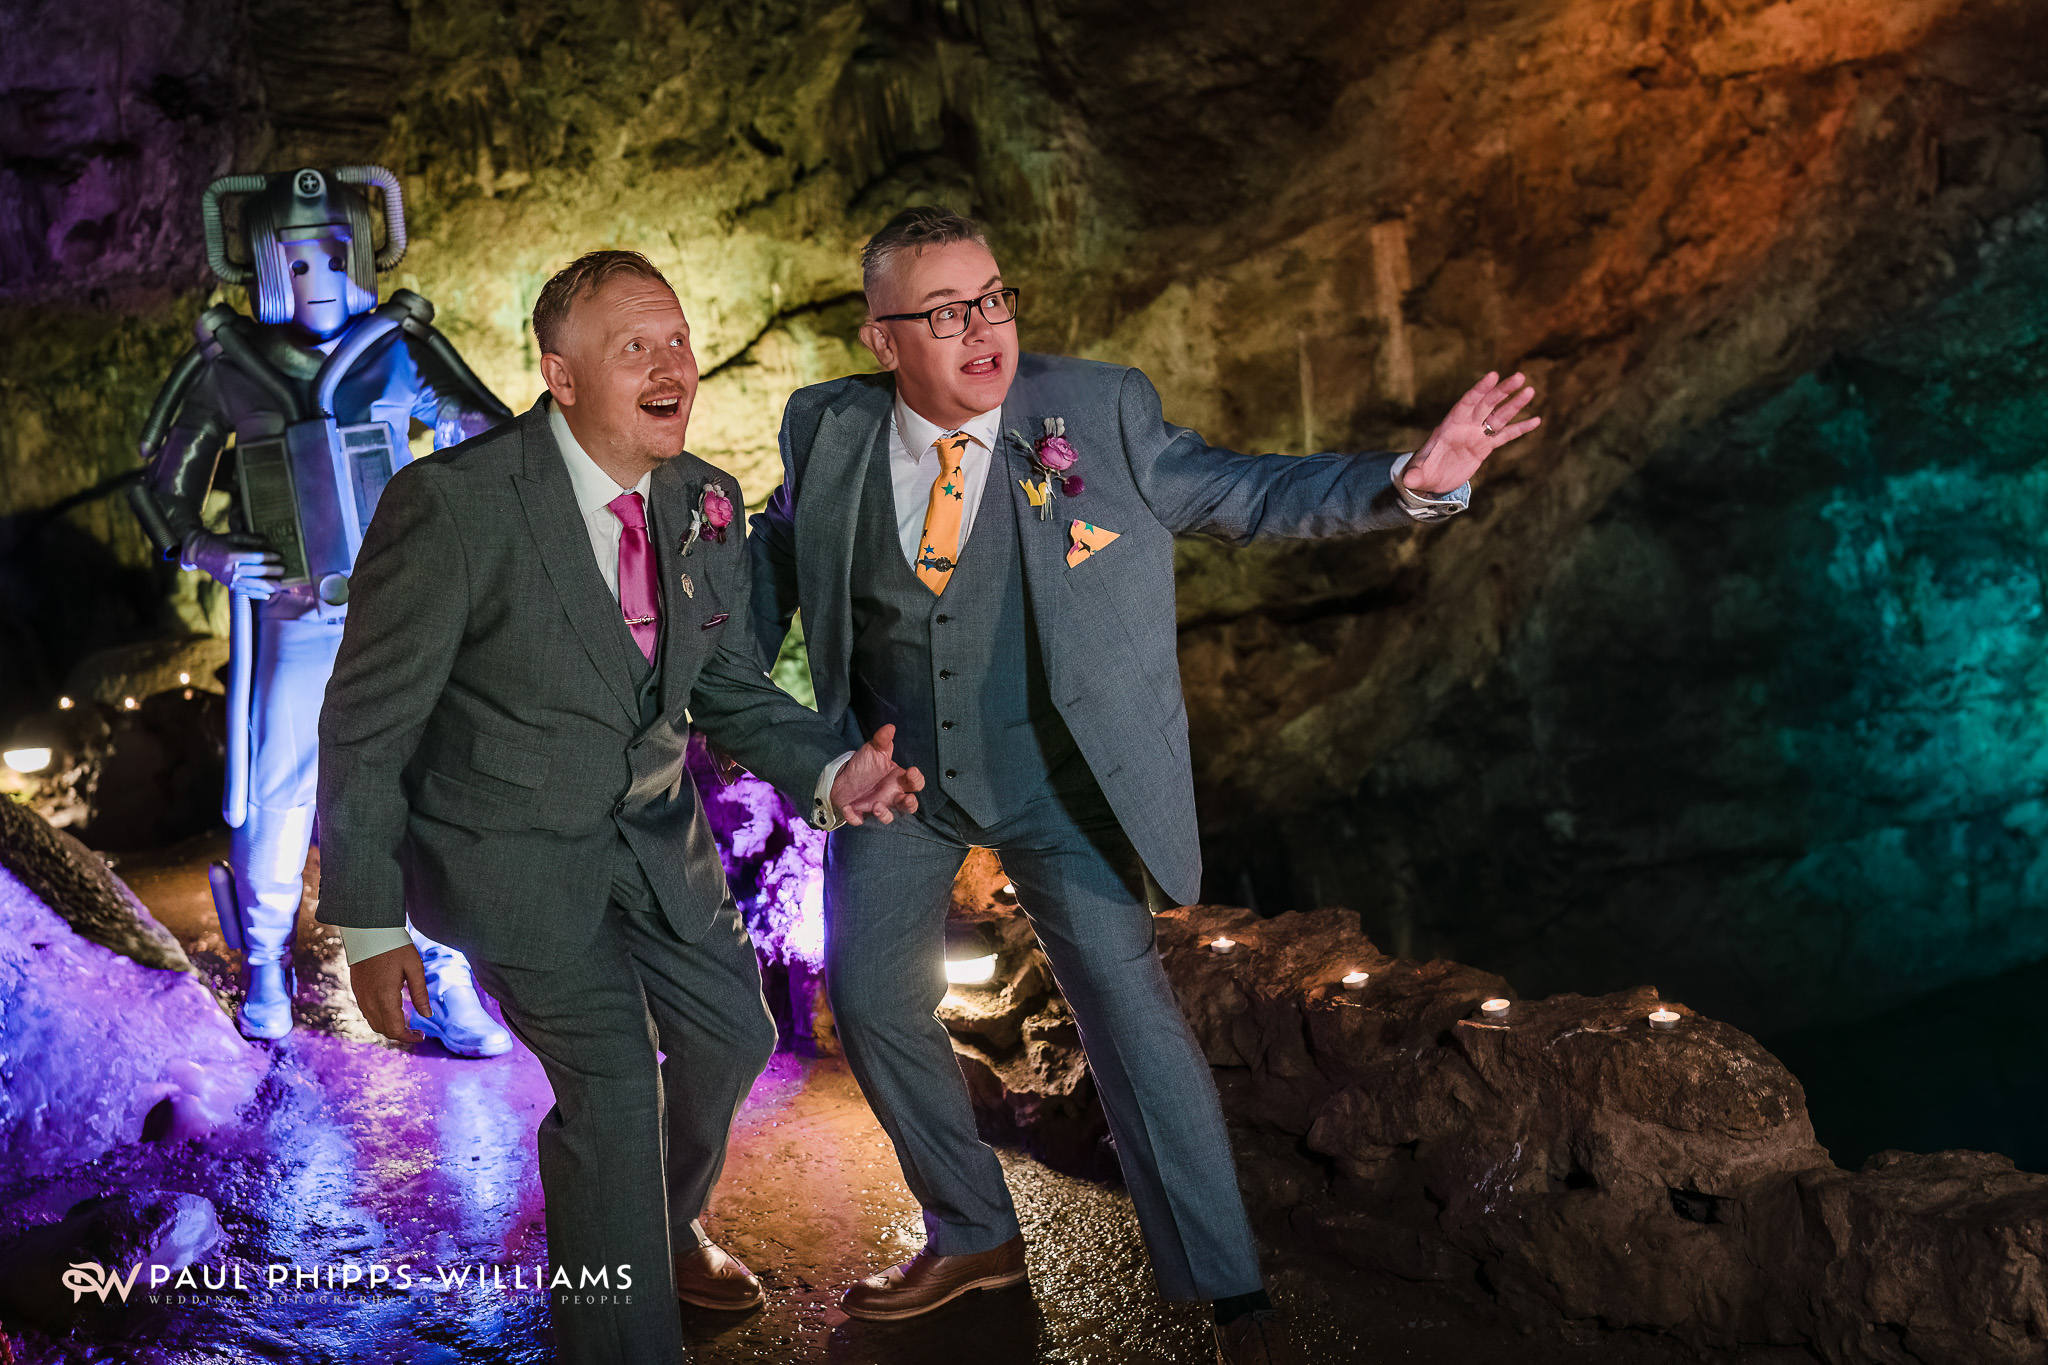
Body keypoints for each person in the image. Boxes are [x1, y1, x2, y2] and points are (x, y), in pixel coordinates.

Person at [748, 206, 1539, 1365]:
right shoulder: (825, 429)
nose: (983, 330)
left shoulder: (1095, 412)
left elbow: (1242, 493)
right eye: (946, 311)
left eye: (995, 297)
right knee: (867, 1000)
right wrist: (737, 715)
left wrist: (1410, 481)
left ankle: (1233, 1299)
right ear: (882, 340)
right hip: (896, 778)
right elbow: (773, 575)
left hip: (1060, 778)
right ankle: (970, 1231)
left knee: (1129, 1011)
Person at [314, 250, 923, 1365]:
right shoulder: (450, 507)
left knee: (734, 1036)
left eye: (677, 340)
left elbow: (727, 686)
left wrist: (834, 775)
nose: (671, 363)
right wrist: (367, 923)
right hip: (505, 854)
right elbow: (365, 723)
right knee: (609, 1087)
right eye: (633, 346)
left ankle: (655, 1227)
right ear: (561, 376)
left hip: (655, 842)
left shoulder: (704, 501)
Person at [130, 164, 514, 1054]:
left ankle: (448, 979)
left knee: (424, 789)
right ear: (265, 266)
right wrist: (209, 549)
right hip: (292, 619)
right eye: (298, 262)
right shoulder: (233, 366)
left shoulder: (396, 347)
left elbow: (488, 434)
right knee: (278, 795)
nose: (323, 279)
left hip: (398, 614)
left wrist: (455, 512)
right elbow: (164, 484)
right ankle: (266, 963)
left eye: (338, 255)